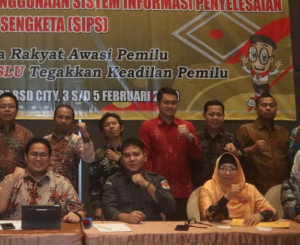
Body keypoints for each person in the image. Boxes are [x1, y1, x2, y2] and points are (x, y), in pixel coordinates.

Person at [138, 87, 201, 220]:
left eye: (173, 103)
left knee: (182, 229)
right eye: (166, 102)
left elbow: (196, 156)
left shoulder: (187, 126)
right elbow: (146, 159)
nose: (170, 106)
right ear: (158, 104)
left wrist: (189, 137)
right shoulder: (147, 127)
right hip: (157, 189)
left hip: (183, 189)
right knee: (157, 229)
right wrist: (151, 185)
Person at [0, 137, 85, 222]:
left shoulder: (62, 182)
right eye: (34, 154)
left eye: (43, 155)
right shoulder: (11, 179)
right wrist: (12, 180)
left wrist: (77, 215)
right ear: (26, 157)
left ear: (49, 159)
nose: (38, 159)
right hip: (16, 234)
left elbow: (80, 211)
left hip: (52, 235)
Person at [101, 139, 176, 223]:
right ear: (122, 160)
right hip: (123, 227)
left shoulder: (158, 180)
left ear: (145, 157)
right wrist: (125, 217)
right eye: (127, 155)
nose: (132, 159)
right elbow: (107, 208)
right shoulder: (113, 181)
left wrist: (146, 184)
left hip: (152, 227)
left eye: (136, 154)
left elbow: (171, 208)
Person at [199, 153, 277, 225]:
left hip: (246, 231)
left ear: (238, 171)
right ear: (217, 170)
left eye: (232, 169)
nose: (227, 173)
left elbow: (273, 212)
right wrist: (227, 196)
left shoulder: (249, 189)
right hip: (218, 232)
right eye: (223, 168)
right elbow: (207, 216)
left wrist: (258, 216)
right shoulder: (208, 188)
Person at [236, 93, 290, 195]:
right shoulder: (246, 129)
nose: (268, 108)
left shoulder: (282, 131)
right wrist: (252, 150)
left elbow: (289, 157)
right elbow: (236, 156)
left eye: (272, 105)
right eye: (264, 105)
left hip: (282, 187)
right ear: (256, 109)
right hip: (256, 188)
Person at [191, 100, 245, 188]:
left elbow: (245, 161)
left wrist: (236, 153)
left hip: (224, 188)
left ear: (223, 117)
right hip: (199, 187)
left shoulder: (231, 138)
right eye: (211, 114)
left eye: (219, 115)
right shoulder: (196, 138)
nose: (215, 118)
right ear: (204, 116)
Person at [44, 104, 94, 191]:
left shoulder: (77, 140)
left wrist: (86, 136)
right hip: (46, 189)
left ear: (72, 122)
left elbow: (89, 159)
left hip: (67, 191)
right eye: (60, 117)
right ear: (54, 120)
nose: (63, 121)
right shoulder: (45, 141)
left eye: (67, 118)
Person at [89, 112, 124, 221]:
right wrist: (97, 206)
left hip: (129, 201)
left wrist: (119, 159)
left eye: (114, 123)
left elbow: (137, 173)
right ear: (103, 132)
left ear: (121, 127)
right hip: (106, 202)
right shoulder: (98, 154)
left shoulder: (131, 151)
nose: (111, 126)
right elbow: (93, 183)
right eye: (107, 125)